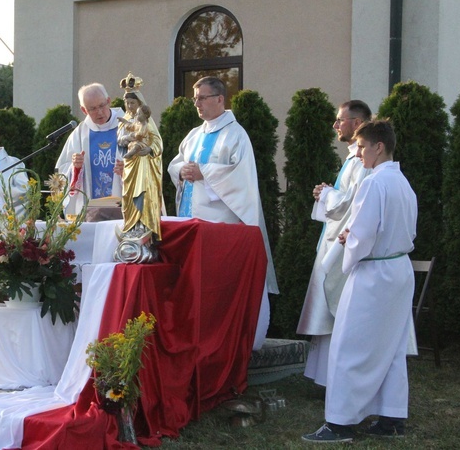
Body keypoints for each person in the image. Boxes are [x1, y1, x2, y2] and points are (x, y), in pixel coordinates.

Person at [303, 119, 417, 443]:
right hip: (398, 271)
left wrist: (347, 247)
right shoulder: (402, 183)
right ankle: (392, 418)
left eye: (363, 147)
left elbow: (361, 233)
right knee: (391, 346)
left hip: (373, 274)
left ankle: (338, 423)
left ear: (379, 147)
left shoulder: (374, 183)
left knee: (349, 345)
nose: (360, 154)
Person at [167, 76, 277, 350]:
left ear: (219, 99)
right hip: (189, 222)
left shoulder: (235, 135)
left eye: (202, 98)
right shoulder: (194, 134)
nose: (198, 104)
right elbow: (176, 163)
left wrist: (205, 173)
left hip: (219, 227)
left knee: (214, 288)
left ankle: (218, 340)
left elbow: (241, 179)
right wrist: (180, 171)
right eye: (195, 99)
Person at [297, 100, 372, 385]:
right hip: (333, 239)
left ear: (357, 122)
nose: (335, 125)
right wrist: (326, 193)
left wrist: (327, 194)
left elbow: (352, 202)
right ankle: (323, 376)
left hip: (343, 244)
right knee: (326, 309)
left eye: (340, 120)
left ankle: (335, 378)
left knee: (335, 308)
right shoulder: (353, 158)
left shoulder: (362, 162)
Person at [56, 83, 126, 216]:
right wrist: (75, 168)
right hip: (90, 211)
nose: (99, 112)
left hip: (124, 207)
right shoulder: (80, 134)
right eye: (92, 109)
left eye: (101, 105)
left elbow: (146, 165)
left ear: (109, 101)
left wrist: (128, 171)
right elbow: (62, 170)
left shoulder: (128, 128)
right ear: (84, 110)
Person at [116, 74, 162, 243]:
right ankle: (130, 225)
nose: (129, 106)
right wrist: (126, 138)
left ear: (139, 103)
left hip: (143, 162)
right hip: (130, 163)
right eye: (127, 103)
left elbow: (157, 140)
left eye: (132, 103)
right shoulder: (126, 120)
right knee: (128, 194)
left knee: (141, 192)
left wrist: (150, 149)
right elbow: (120, 139)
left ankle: (142, 226)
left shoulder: (145, 119)